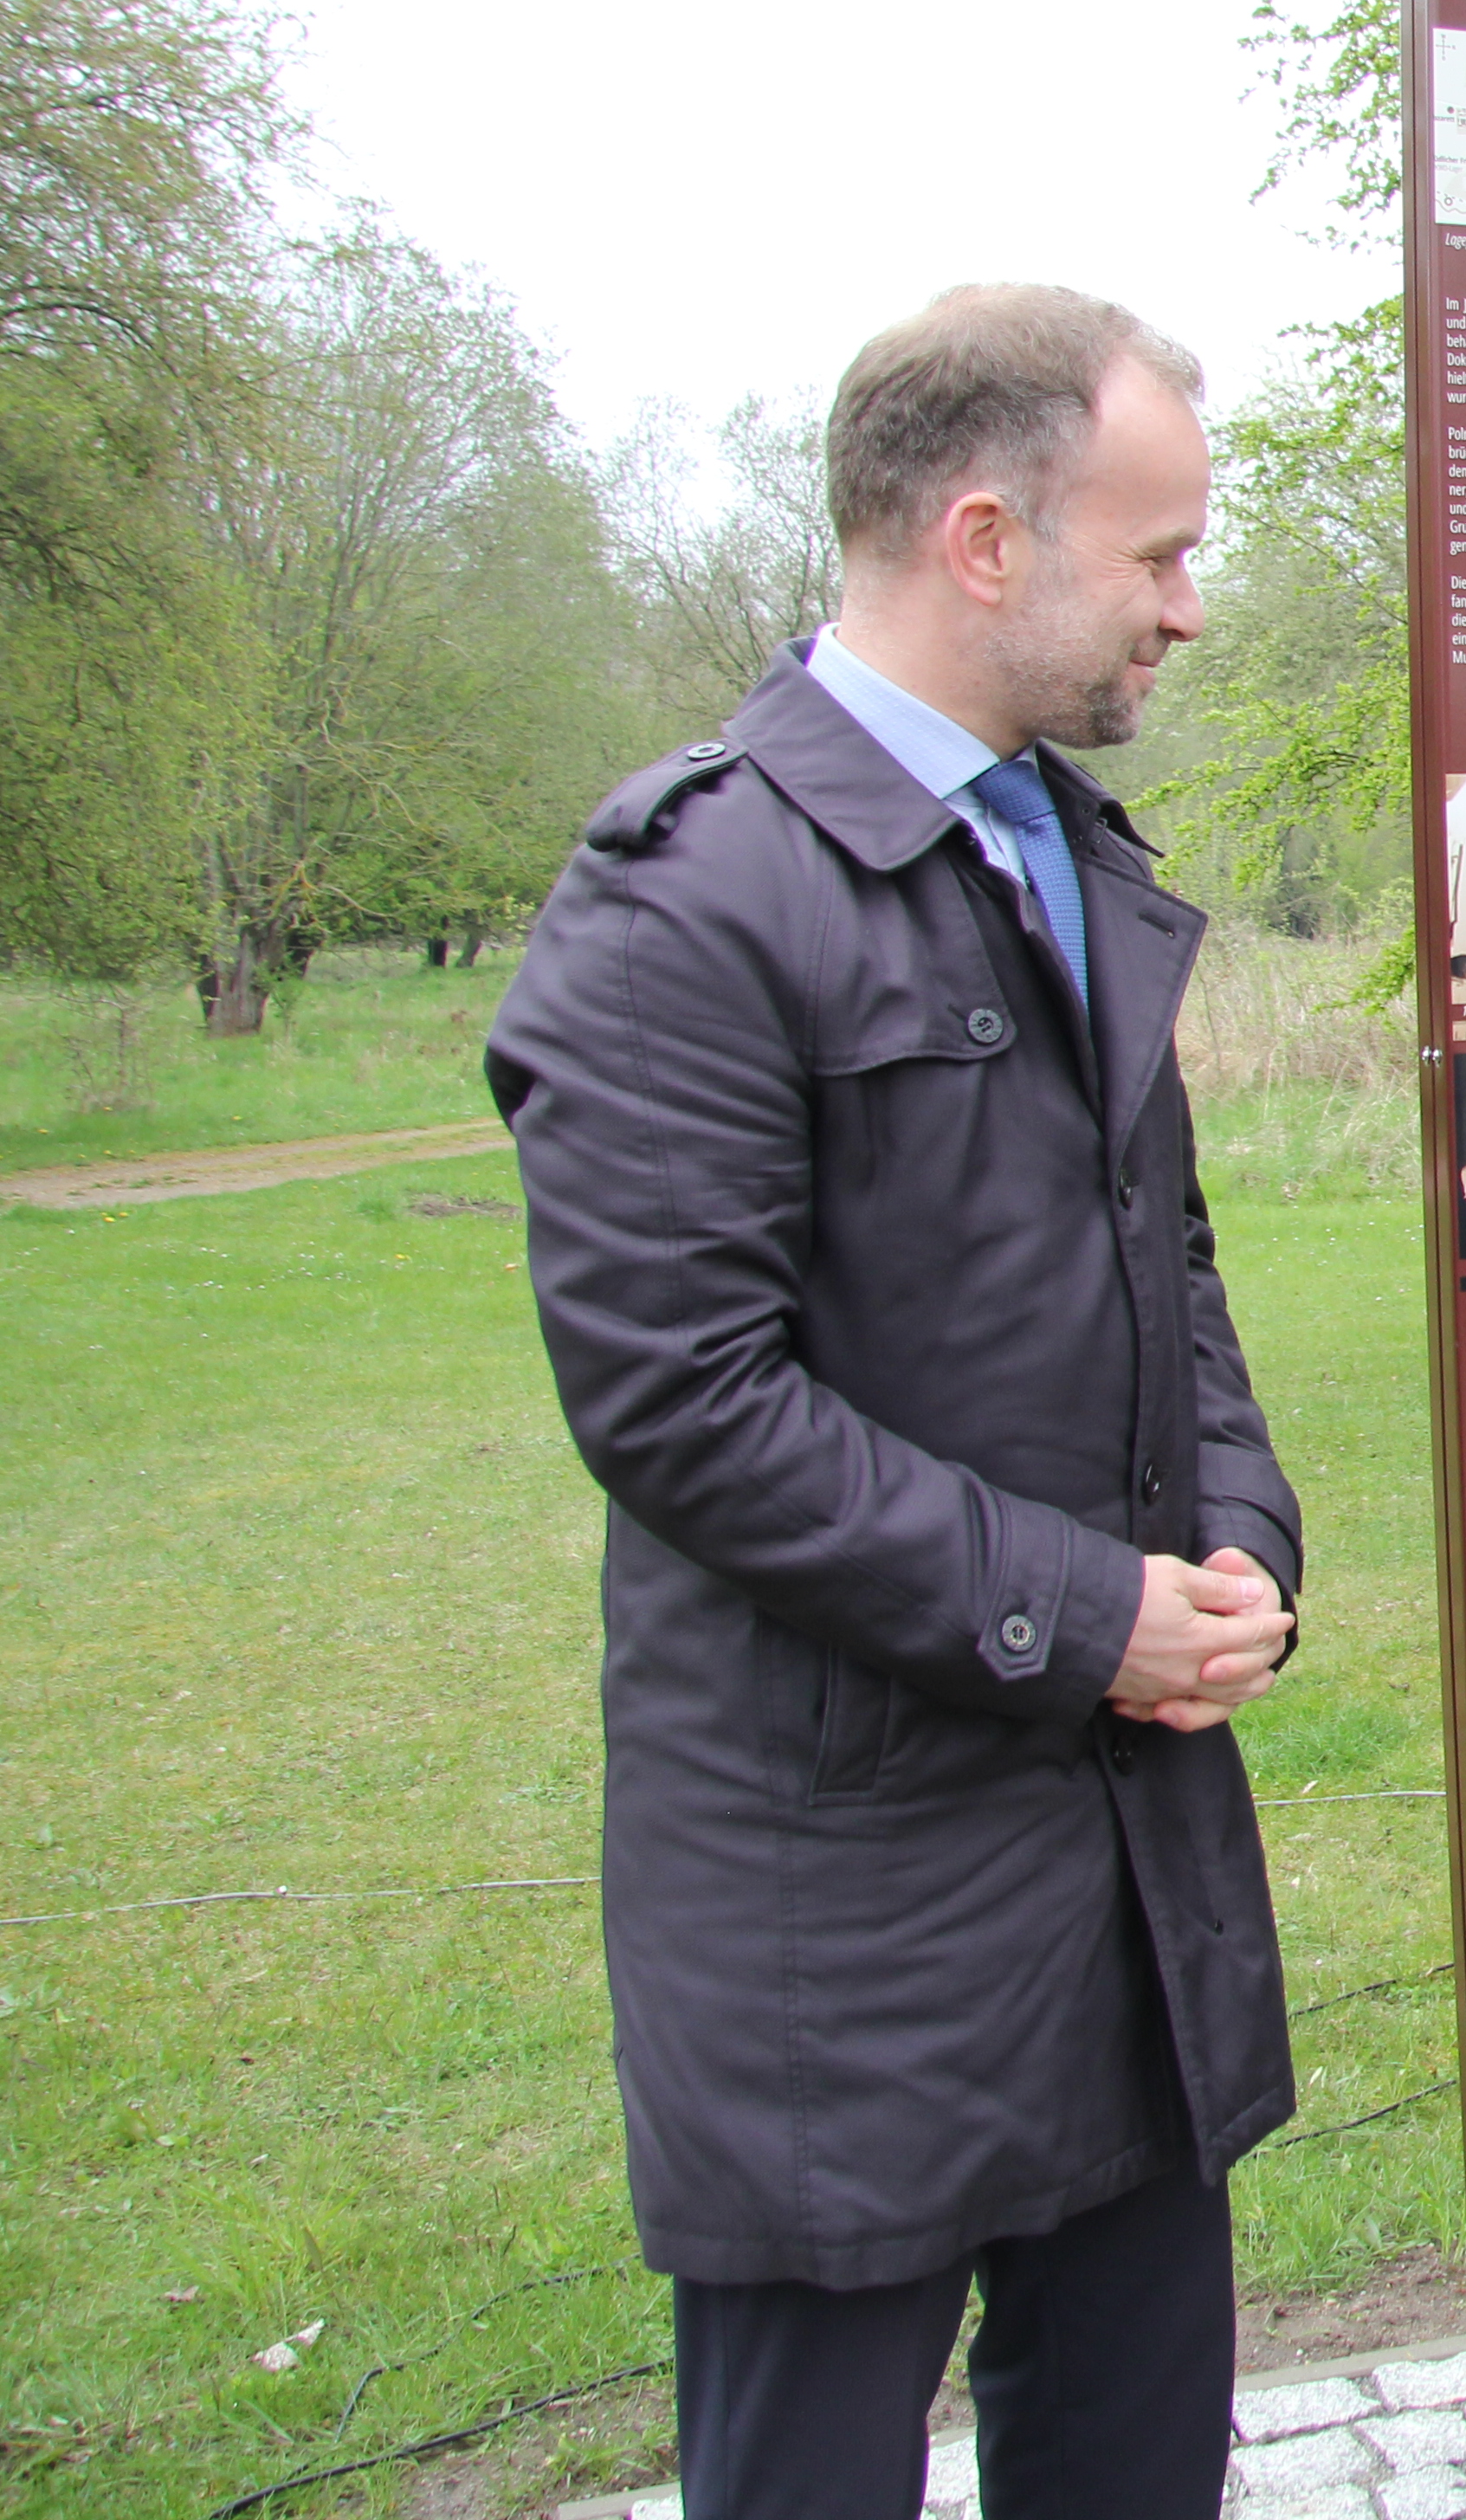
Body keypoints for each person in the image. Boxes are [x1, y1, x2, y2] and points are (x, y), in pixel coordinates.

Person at [488, 285, 1307, 2520]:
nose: (1192, 607)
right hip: (835, 1892)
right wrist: (1084, 1607)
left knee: (1136, 2465)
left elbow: (1176, 1277)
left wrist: (1239, 1543)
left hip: (1122, 1863)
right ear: (978, 540)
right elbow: (682, 1400)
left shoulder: (1065, 853)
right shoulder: (692, 897)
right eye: (1154, 555)